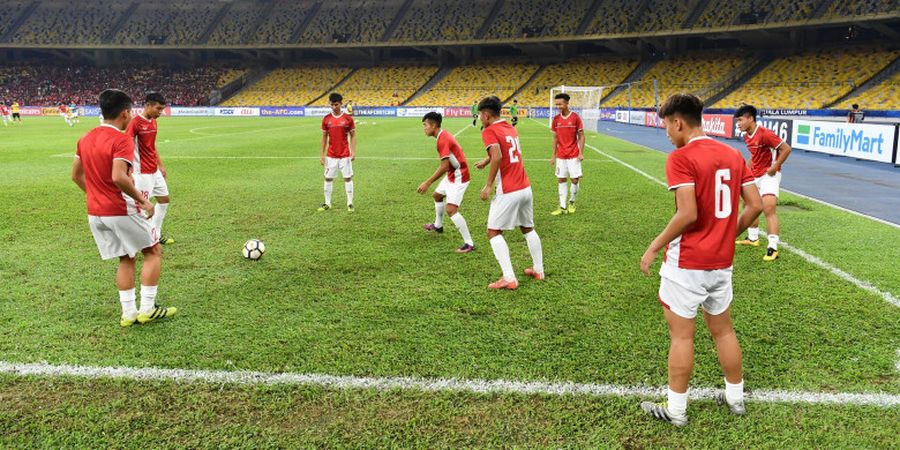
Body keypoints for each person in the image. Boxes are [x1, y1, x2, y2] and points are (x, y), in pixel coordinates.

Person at [639, 93, 762, 427]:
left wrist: (654, 245)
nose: (666, 132)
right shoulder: (733, 154)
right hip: (722, 262)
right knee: (723, 331)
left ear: (678, 122)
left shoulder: (681, 157)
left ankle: (676, 410)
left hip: (687, 262)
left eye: (666, 125)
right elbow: (755, 206)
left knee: (682, 337)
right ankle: (735, 399)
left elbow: (688, 213)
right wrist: (727, 236)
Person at [71, 89, 176, 327]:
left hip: (95, 213)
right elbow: (119, 176)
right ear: (125, 112)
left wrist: (96, 195)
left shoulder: (85, 138)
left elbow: (75, 175)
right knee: (153, 251)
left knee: (126, 258)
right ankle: (147, 309)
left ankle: (129, 314)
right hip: (119, 210)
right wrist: (143, 199)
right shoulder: (121, 139)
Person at [474, 96, 544, 289]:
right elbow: (503, 152)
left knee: (493, 231)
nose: (479, 117)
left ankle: (509, 278)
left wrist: (488, 185)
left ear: (486, 115)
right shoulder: (510, 128)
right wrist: (486, 160)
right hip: (525, 186)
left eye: (480, 114)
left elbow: (497, 154)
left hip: (509, 189)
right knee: (527, 228)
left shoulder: (489, 130)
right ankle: (539, 269)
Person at [733, 104, 792, 261]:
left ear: (750, 118)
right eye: (737, 121)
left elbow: (786, 149)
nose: (738, 124)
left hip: (769, 175)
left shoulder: (765, 133)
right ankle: (753, 238)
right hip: (755, 174)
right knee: (748, 204)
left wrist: (775, 166)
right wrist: (745, 168)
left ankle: (773, 248)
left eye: (740, 120)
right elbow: (755, 154)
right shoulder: (747, 135)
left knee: (768, 208)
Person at [418, 112, 475, 253]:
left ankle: (469, 243)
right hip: (452, 173)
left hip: (459, 176)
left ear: (434, 125)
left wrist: (427, 182)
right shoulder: (442, 136)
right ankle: (438, 225)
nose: (424, 128)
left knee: (451, 210)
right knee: (437, 195)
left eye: (425, 125)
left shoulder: (442, 139)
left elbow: (444, 166)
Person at [126, 92, 174, 245]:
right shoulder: (134, 123)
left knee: (164, 200)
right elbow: (125, 146)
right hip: (141, 173)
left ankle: (156, 234)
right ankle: (139, 239)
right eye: (158, 109)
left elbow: (152, 146)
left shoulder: (153, 121)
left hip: (154, 171)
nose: (160, 112)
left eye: (162, 109)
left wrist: (160, 165)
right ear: (147, 105)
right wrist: (128, 170)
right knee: (141, 208)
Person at [319, 93, 356, 212]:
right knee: (328, 178)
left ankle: (350, 203)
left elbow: (353, 135)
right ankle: (327, 203)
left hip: (345, 154)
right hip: (331, 155)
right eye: (332, 104)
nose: (334, 107)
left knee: (347, 178)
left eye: (336, 104)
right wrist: (322, 155)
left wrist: (353, 152)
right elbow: (324, 137)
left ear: (341, 103)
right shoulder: (326, 119)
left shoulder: (348, 119)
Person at [549, 93, 585, 215]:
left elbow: (581, 136)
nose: (558, 106)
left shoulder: (575, 117)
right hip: (561, 155)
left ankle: (572, 202)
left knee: (574, 180)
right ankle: (562, 206)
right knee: (561, 179)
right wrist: (553, 155)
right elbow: (555, 138)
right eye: (557, 104)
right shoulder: (556, 119)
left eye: (560, 104)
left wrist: (581, 152)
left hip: (574, 154)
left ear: (567, 103)